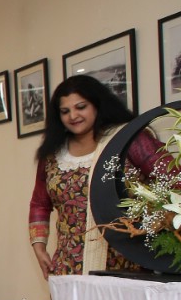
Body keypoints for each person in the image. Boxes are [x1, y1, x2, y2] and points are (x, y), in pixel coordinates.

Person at [29, 75, 169, 277]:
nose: (73, 116)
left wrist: (154, 221)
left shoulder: (127, 139)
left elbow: (172, 180)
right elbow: (40, 203)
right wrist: (39, 245)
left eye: (81, 107)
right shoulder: (53, 154)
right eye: (65, 111)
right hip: (69, 267)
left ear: (97, 105)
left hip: (127, 265)